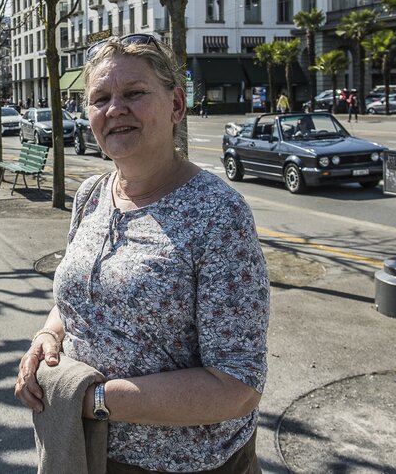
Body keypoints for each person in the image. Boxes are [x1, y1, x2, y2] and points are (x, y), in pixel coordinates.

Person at [14, 34, 269, 473]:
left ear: (176, 106)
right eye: (100, 98)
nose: (115, 109)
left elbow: (236, 385)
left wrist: (92, 399)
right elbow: (81, 294)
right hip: (86, 452)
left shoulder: (219, 214)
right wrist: (47, 337)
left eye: (134, 94)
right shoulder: (92, 194)